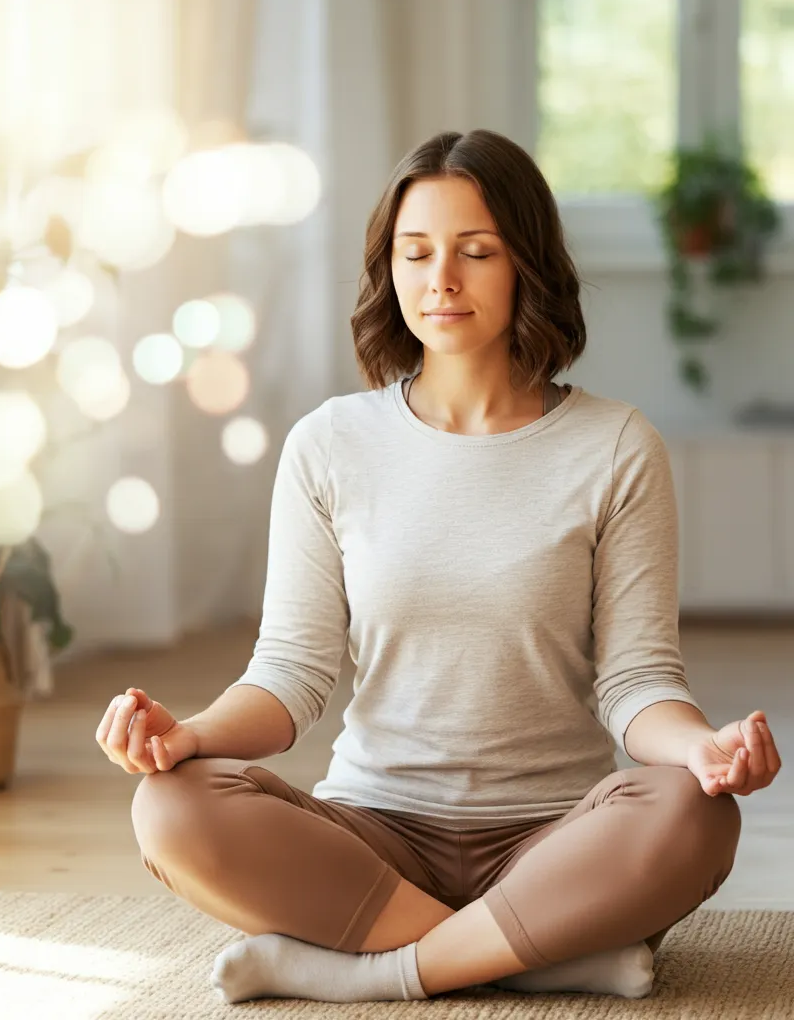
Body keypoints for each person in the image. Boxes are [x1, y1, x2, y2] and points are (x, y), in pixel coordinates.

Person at [96, 129, 782, 1005]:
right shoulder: (330, 444)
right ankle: (534, 956)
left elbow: (638, 681)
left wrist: (705, 750)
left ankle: (372, 972)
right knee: (169, 807)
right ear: (389, 271)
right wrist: (188, 735)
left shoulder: (616, 447)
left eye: (476, 252)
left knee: (695, 811)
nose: (440, 280)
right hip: (375, 835)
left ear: (527, 265)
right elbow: (291, 675)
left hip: (556, 838)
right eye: (414, 254)